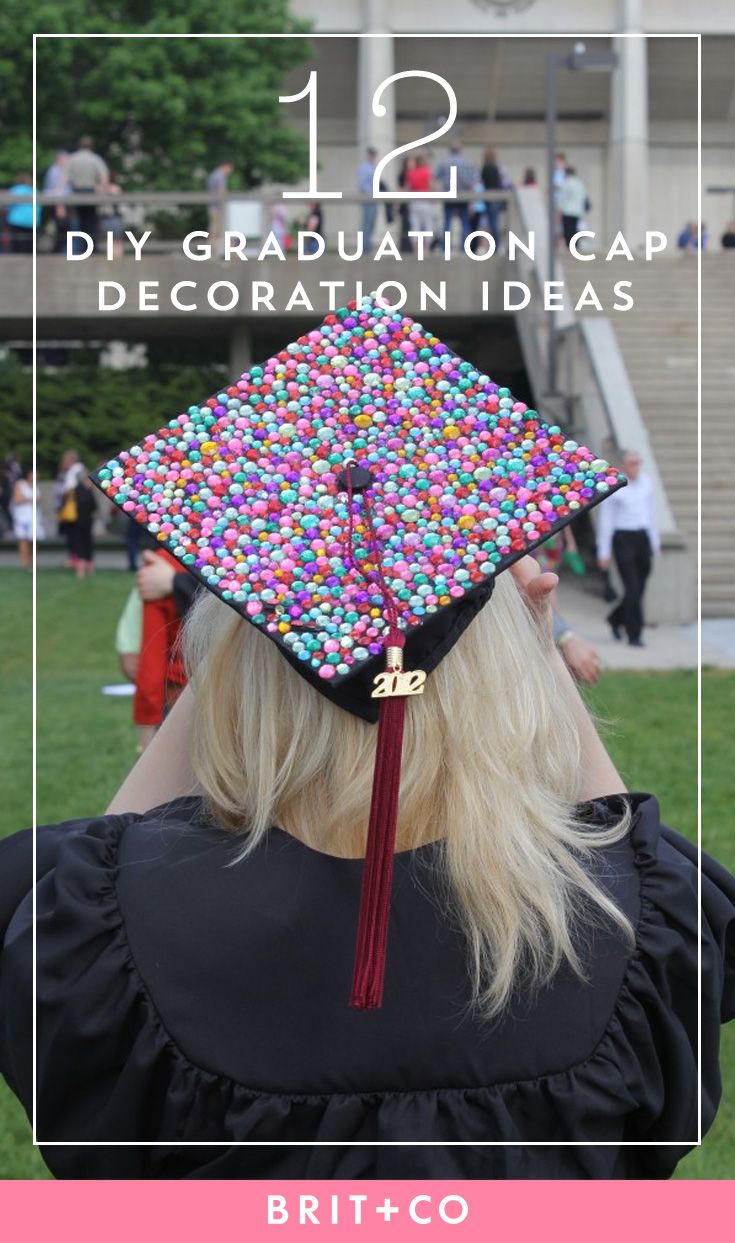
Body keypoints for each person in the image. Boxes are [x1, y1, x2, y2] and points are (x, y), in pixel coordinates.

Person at [0, 301, 732, 1179]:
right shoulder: (634, 923)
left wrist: (256, 610)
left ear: (230, 645)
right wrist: (527, 642)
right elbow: (623, 848)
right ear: (514, 657)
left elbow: (62, 907)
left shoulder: (93, 928)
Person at [596, 450, 659, 647]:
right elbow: (606, 520)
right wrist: (603, 551)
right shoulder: (616, 486)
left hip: (642, 537)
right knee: (632, 587)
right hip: (623, 537)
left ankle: (615, 618)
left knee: (639, 588)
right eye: (631, 463)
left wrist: (654, 542)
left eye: (637, 463)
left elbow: (650, 514)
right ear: (624, 465)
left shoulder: (646, 483)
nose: (635, 467)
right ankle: (635, 633)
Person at [66, 137, 109, 249]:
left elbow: (65, 178)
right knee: (91, 222)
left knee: (79, 221)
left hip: (76, 192)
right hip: (90, 192)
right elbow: (104, 176)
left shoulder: (72, 159)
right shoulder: (95, 159)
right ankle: (90, 248)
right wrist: (103, 191)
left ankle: (80, 248)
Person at [434, 143, 477, 244]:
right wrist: (472, 200)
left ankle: (444, 248)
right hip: (463, 195)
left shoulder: (444, 163)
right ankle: (465, 248)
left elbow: (434, 178)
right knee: (465, 223)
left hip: (448, 195)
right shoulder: (466, 163)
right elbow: (473, 182)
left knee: (447, 222)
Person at [11, 464, 44, 567]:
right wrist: (31, 499)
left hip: (34, 516)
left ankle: (31, 558)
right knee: (24, 539)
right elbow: (17, 499)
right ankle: (25, 561)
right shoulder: (20, 484)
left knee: (35, 538)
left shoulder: (35, 486)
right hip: (23, 516)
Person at [42, 150, 71, 253]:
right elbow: (57, 190)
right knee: (61, 229)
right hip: (58, 204)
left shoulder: (55, 170)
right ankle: (58, 251)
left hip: (58, 203)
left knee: (62, 230)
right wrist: (60, 206)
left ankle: (59, 250)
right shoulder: (56, 171)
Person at [5, 173, 39, 253]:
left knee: (16, 245)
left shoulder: (14, 190)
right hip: (31, 221)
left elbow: (7, 205)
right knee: (29, 245)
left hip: (16, 221)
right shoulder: (34, 191)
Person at [405, 153, 434, 246]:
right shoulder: (427, 171)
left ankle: (416, 249)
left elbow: (408, 188)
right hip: (425, 200)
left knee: (415, 226)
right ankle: (426, 249)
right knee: (428, 225)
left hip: (414, 201)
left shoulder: (410, 173)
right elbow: (431, 186)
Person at [206, 158, 234, 256]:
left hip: (214, 207)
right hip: (217, 208)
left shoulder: (214, 175)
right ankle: (213, 252)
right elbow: (221, 192)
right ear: (226, 166)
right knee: (216, 231)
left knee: (215, 231)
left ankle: (213, 252)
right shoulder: (219, 176)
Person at [558, 166, 588, 249]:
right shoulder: (579, 183)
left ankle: (569, 245)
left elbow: (563, 197)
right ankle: (575, 244)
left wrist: (559, 209)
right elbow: (583, 197)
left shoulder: (566, 183)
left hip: (567, 210)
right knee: (574, 228)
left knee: (567, 229)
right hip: (577, 211)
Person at [357, 146, 378, 248]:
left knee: (371, 223)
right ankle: (364, 246)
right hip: (368, 198)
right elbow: (362, 184)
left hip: (373, 198)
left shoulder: (371, 166)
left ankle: (367, 244)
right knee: (366, 223)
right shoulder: (364, 167)